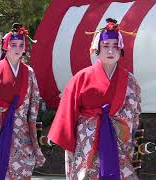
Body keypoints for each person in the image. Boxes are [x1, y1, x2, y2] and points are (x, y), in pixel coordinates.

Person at [48, 18, 141, 180]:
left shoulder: (130, 80)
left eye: (115, 46)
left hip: (117, 138)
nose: (110, 51)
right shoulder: (82, 77)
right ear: (97, 48)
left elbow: (134, 113)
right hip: (87, 139)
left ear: (121, 50)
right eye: (105, 46)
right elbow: (67, 111)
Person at [0, 23, 45, 180]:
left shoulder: (29, 72)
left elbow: (34, 103)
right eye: (13, 45)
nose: (17, 48)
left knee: (23, 168)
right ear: (6, 46)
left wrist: (32, 128)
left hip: (21, 129)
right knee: (0, 170)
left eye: (21, 45)